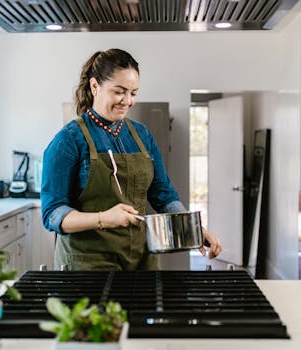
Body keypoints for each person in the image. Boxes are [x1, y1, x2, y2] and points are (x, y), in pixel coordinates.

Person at [41, 48, 221, 271]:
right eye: (119, 91)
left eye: (133, 93)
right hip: (86, 265)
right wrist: (104, 218)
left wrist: (194, 230)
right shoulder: (68, 140)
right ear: (95, 86)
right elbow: (53, 214)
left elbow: (163, 194)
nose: (127, 101)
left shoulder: (142, 135)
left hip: (139, 261)